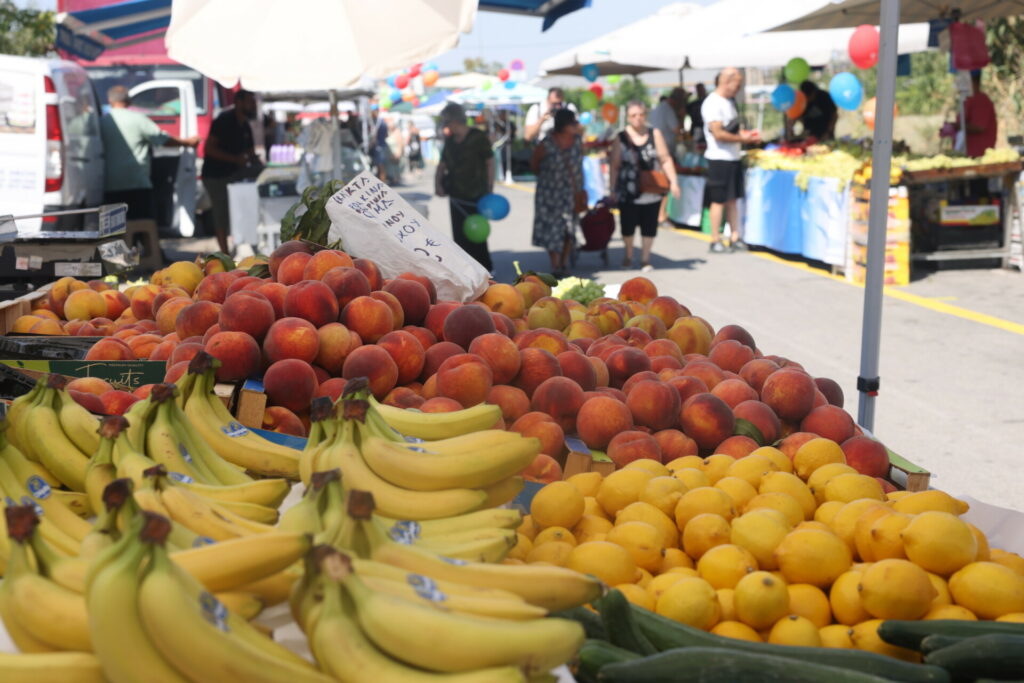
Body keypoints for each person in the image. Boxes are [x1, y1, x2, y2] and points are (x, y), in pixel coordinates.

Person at [100, 85, 198, 221]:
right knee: (142, 225)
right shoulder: (138, 119)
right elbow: (162, 139)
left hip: (109, 185)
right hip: (137, 183)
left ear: (110, 101)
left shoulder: (101, 122)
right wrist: (188, 142)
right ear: (129, 101)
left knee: (114, 227)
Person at [608, 100, 680, 272]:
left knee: (649, 226)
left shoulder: (655, 134)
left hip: (651, 189)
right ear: (628, 117)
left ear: (645, 115)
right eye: (633, 115)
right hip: (628, 190)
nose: (638, 118)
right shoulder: (621, 137)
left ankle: (645, 259)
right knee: (628, 226)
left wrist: (674, 182)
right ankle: (628, 255)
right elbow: (614, 165)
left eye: (641, 114)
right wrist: (612, 189)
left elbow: (665, 159)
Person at [702, 67, 759, 253]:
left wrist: (745, 135)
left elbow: (732, 129)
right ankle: (715, 239)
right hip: (718, 159)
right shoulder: (712, 103)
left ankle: (735, 236)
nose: (739, 88)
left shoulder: (730, 102)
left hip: (733, 157)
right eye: (737, 84)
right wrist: (743, 139)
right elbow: (718, 133)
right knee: (718, 200)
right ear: (727, 81)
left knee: (733, 199)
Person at [435, 102, 495, 272]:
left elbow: (490, 163)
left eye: (447, 122)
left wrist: (490, 189)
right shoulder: (450, 141)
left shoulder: (478, 137)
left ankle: (486, 269)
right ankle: (466, 271)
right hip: (456, 196)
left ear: (455, 121)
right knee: (460, 237)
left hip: (477, 195)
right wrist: (437, 184)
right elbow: (442, 164)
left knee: (477, 235)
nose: (446, 126)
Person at [203, 89, 258, 253]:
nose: (253, 105)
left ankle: (241, 245)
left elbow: (251, 153)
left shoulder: (245, 125)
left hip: (234, 175)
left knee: (238, 210)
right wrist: (235, 159)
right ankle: (225, 253)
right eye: (250, 101)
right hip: (216, 175)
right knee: (221, 213)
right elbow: (209, 148)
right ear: (238, 102)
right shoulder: (223, 121)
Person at [531, 109, 583, 277]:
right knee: (551, 230)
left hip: (571, 193)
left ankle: (564, 262)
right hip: (549, 194)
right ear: (563, 124)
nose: (576, 125)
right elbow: (534, 165)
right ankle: (555, 264)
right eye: (572, 122)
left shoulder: (577, 141)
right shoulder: (546, 143)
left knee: (569, 229)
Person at [649, 87, 688, 226]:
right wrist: (681, 116)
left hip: (655, 151)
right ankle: (661, 215)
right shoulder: (668, 110)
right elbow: (677, 129)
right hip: (664, 152)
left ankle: (658, 214)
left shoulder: (659, 108)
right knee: (665, 184)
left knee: (659, 184)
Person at [961, 71, 996, 158]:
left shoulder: (981, 100)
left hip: (980, 153)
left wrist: (958, 126)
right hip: (969, 152)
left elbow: (979, 127)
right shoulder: (968, 100)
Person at [687, 83, 708, 151]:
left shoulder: (709, 101)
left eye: (701, 89)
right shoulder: (694, 103)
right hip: (697, 128)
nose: (700, 91)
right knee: (697, 148)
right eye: (699, 90)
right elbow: (685, 110)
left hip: (707, 127)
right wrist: (686, 97)